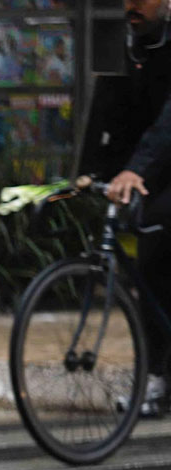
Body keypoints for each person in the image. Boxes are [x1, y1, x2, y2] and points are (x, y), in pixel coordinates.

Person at [108, 0, 171, 416]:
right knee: (149, 261)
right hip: (160, 167)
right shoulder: (132, 46)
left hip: (161, 159)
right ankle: (157, 378)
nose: (132, 3)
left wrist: (135, 169)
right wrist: (91, 173)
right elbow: (111, 115)